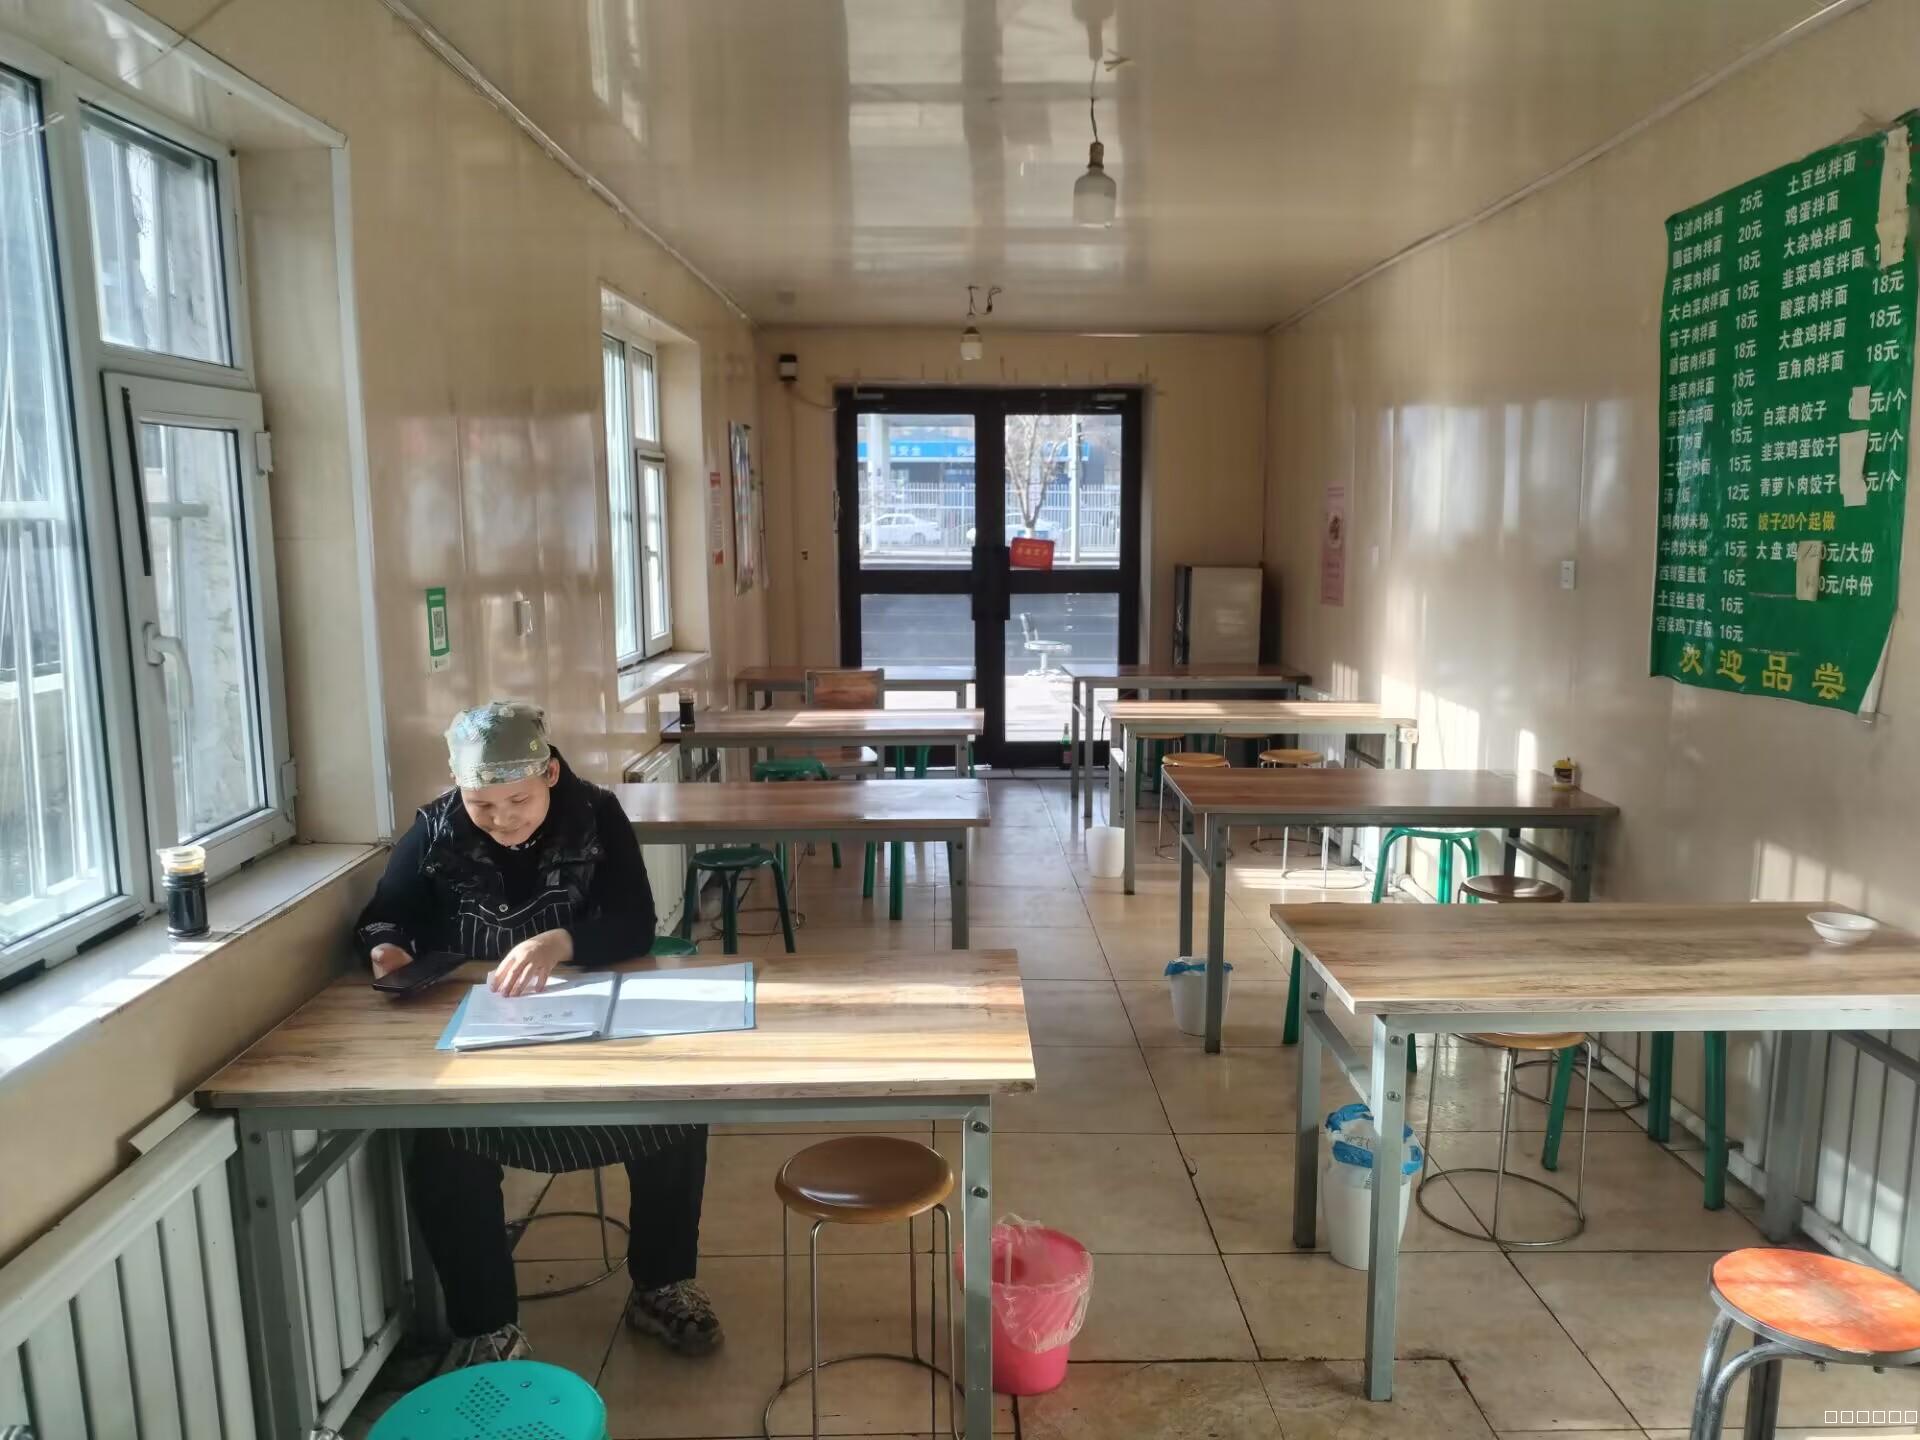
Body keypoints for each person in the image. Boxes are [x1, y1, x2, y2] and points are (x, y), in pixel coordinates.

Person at [356, 700, 722, 1365]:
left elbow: (636, 923)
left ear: (550, 773)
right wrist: (387, 949)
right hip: (484, 1038)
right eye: (482, 805)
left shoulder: (596, 816)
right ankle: (486, 1326)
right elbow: (385, 913)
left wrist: (560, 942)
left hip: (590, 1027)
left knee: (675, 1110)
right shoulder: (435, 828)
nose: (502, 819)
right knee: (441, 1139)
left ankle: (661, 1283)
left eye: (518, 800)